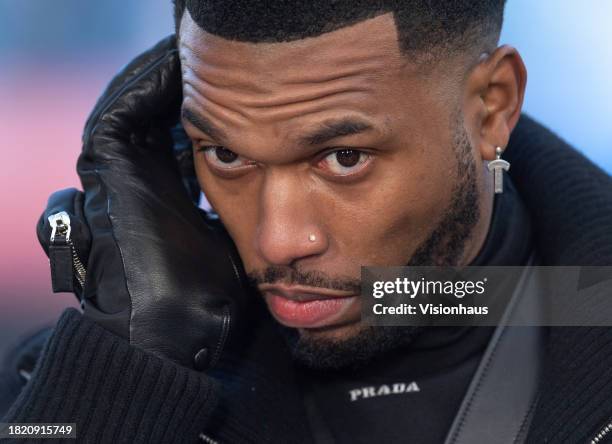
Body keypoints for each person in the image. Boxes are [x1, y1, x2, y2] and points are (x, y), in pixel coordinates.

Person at [2, 1, 612, 443]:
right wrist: (128, 376)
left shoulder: (588, 306)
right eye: (227, 155)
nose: (280, 241)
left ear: (492, 107)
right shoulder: (71, 377)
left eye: (344, 158)